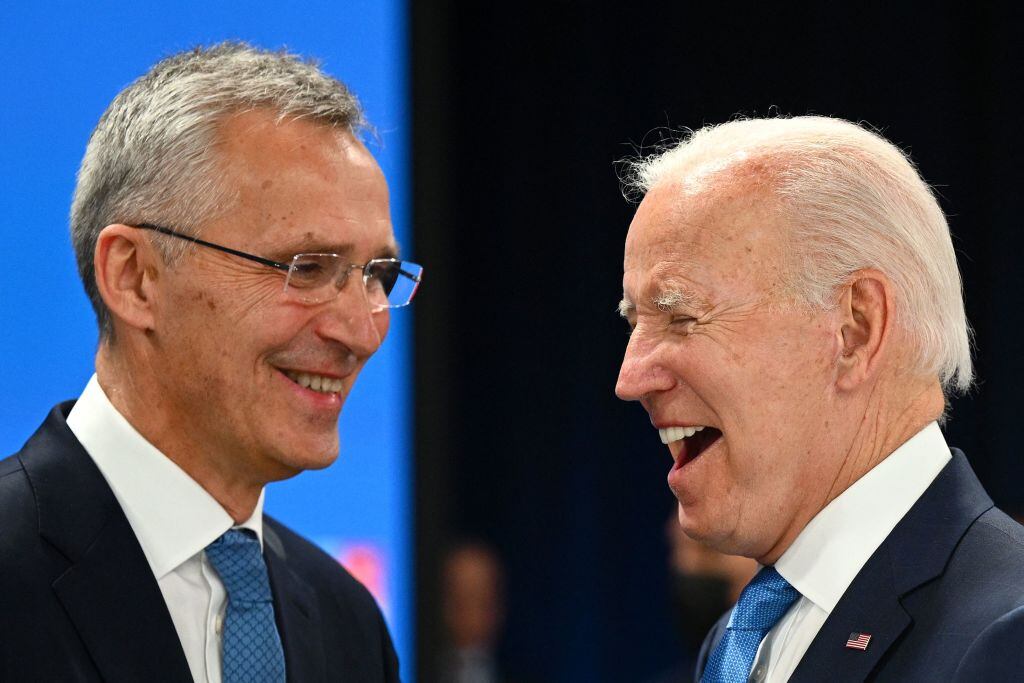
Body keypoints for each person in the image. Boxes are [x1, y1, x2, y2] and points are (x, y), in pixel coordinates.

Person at [0, 43, 420, 682]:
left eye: (378, 276)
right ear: (136, 277)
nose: (363, 331)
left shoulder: (346, 621)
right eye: (307, 268)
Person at [615, 116, 1024, 682]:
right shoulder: (743, 640)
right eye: (635, 322)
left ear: (856, 328)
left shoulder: (1006, 637)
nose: (631, 378)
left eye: (682, 317)